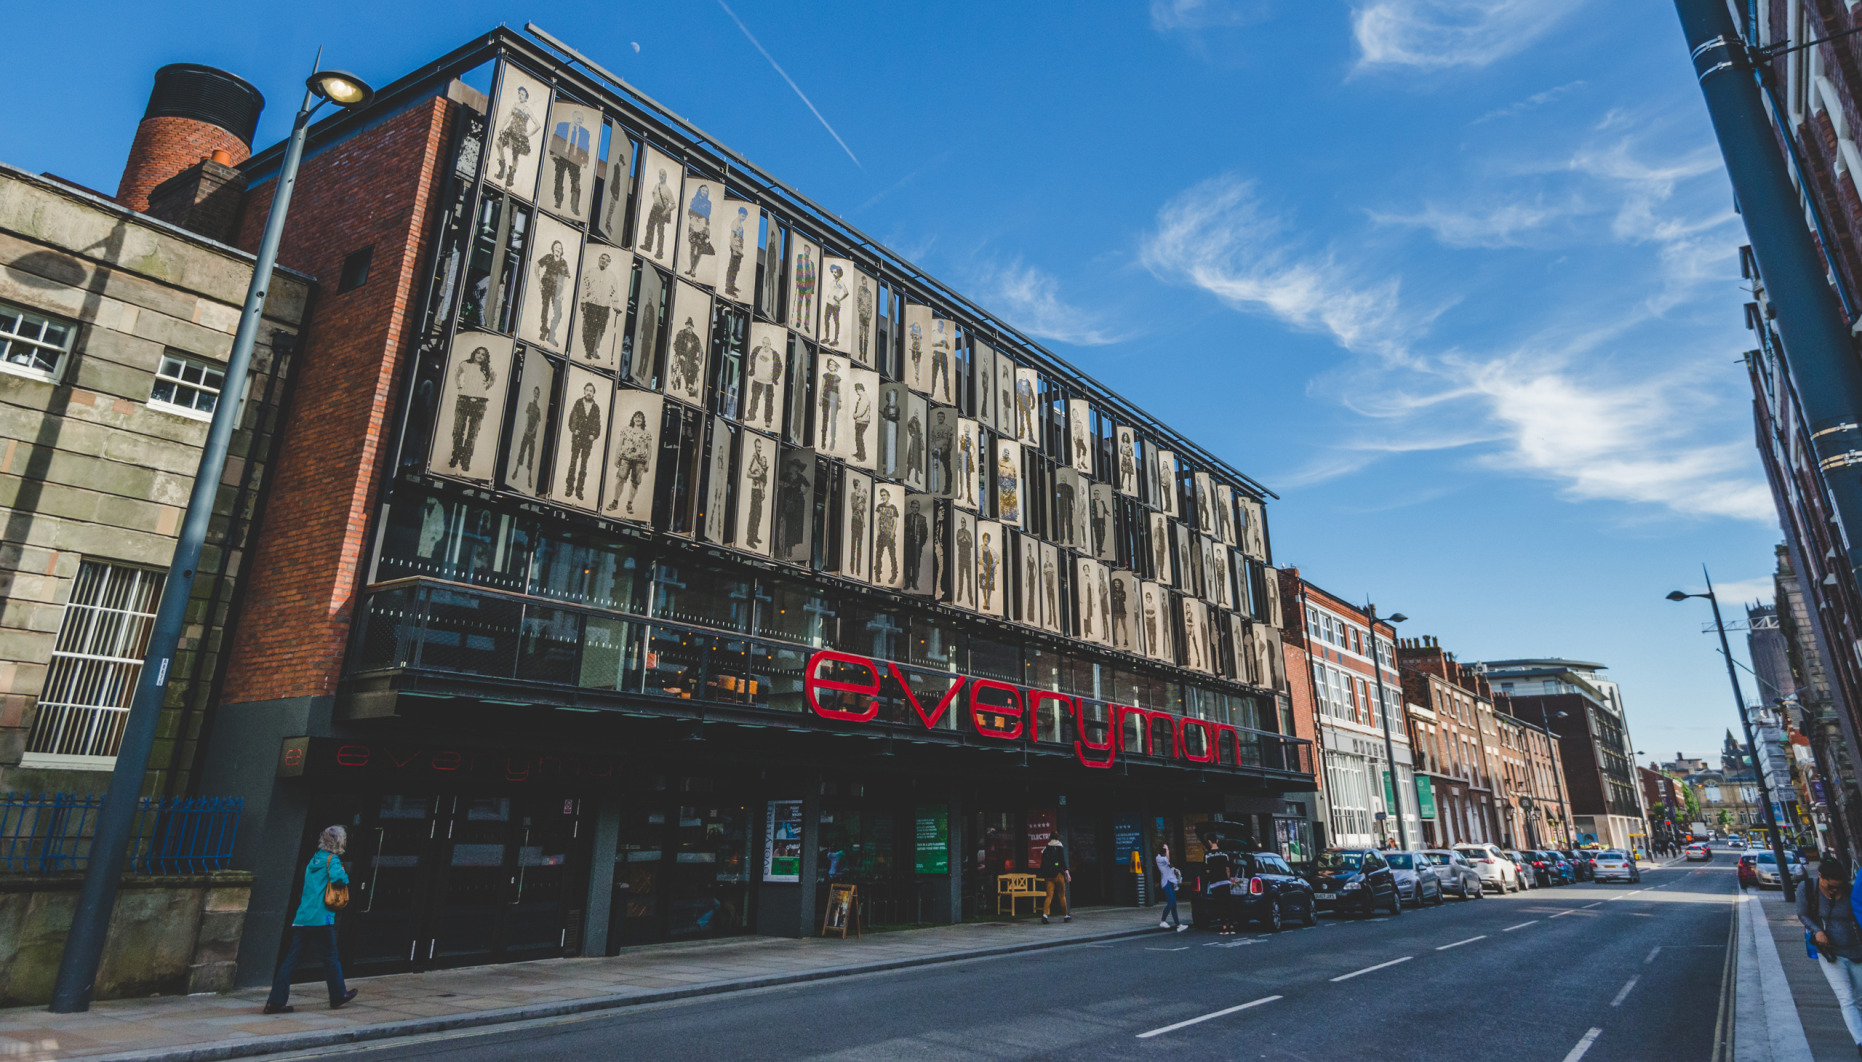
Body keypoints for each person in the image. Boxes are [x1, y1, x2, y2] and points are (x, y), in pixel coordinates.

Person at [264, 826, 357, 1013]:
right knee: (331, 957)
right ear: (338, 841)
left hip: (303, 917)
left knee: (290, 960)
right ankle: (338, 994)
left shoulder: (314, 859)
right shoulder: (333, 860)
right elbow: (341, 880)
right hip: (321, 918)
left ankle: (275, 1001)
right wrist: (344, 874)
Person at [1800, 857, 1862, 1054]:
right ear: (1820, 877)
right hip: (1830, 954)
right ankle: (1861, 1043)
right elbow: (1803, 914)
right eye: (1830, 886)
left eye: (1838, 887)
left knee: (1860, 999)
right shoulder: (1808, 889)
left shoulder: (1852, 891)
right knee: (1847, 998)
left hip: (1856, 951)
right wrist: (1817, 930)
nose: (1834, 891)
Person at [1204, 837, 1236, 934]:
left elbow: (1206, 870)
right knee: (1228, 903)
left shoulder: (1207, 855)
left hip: (1215, 882)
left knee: (1219, 904)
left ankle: (1224, 926)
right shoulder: (1224, 854)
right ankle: (1231, 925)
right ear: (1217, 841)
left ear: (1209, 842)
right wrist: (1230, 878)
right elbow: (1229, 867)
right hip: (1224, 881)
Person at [1156, 843, 1188, 931]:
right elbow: (1168, 860)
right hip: (1166, 883)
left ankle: (1178, 925)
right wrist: (1168, 850)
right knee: (1170, 903)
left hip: (1170, 882)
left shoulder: (1163, 859)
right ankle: (1162, 921)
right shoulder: (1159, 858)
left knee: (1174, 904)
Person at [1039, 836, 1071, 924]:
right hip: (1058, 875)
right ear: (1058, 838)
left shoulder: (1046, 848)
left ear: (1050, 838)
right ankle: (1065, 915)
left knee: (1049, 896)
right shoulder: (1059, 847)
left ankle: (1045, 915)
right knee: (1061, 895)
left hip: (1048, 876)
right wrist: (1067, 873)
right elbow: (1062, 862)